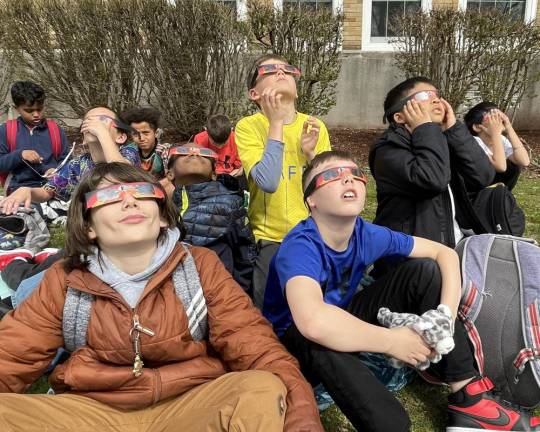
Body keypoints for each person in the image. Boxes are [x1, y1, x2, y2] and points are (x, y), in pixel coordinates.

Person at [0, 162, 323, 432]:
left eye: (144, 192)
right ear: (88, 227)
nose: (130, 201)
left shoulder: (199, 265)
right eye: (110, 196)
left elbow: (255, 345)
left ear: (164, 216)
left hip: (191, 405)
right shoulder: (66, 279)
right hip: (92, 411)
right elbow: (11, 356)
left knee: (260, 389)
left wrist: (302, 422)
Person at [263, 149, 540, 432]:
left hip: (339, 316)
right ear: (311, 200)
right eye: (333, 176)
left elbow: (443, 253)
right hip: (292, 346)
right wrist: (391, 341)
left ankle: (469, 399)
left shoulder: (366, 233)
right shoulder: (299, 247)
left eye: (355, 174)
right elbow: (313, 321)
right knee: (320, 339)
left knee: (422, 271)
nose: (348, 180)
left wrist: (444, 314)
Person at [235, 54, 331, 307]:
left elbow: (330, 189)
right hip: (270, 240)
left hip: (313, 234)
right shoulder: (248, 127)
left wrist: (312, 156)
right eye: (269, 70)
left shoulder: (314, 126)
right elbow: (267, 181)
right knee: (269, 314)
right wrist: (275, 123)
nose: (281, 73)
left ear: (297, 90)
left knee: (316, 308)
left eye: (288, 69)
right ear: (254, 93)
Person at [369, 76, 495, 249]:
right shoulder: (387, 149)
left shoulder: (439, 140)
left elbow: (483, 176)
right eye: (424, 95)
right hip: (413, 256)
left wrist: (454, 129)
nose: (435, 99)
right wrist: (425, 128)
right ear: (399, 117)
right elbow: (432, 180)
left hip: (453, 246)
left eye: (436, 94)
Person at [0, 106, 140, 214]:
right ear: (84, 139)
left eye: (103, 120)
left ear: (121, 137)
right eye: (88, 121)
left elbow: (123, 175)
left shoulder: (128, 152)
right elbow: (48, 191)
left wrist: (102, 133)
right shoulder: (77, 165)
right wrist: (28, 191)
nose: (94, 124)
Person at [167, 145, 255, 293]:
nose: (194, 153)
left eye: (204, 153)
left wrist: (239, 292)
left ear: (214, 174)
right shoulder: (162, 208)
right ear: (169, 173)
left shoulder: (230, 202)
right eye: (183, 152)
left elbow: (246, 253)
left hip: (220, 290)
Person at [0, 81, 70, 195]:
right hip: (18, 192)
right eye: (29, 111)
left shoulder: (55, 130)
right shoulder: (6, 130)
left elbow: (67, 160)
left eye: (40, 109)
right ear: (16, 108)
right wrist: (20, 155)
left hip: (52, 190)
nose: (36, 114)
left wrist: (56, 171)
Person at [464, 102, 530, 190]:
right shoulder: (473, 142)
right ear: (477, 127)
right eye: (492, 117)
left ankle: (501, 196)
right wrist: (496, 133)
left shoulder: (500, 139)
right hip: (473, 190)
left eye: (498, 114)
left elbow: (524, 161)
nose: (498, 119)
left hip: (493, 188)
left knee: (514, 165)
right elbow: (501, 167)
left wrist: (509, 127)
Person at [121, 107, 171, 180]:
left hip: (160, 188)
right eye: (135, 134)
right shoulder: (129, 150)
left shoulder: (165, 150)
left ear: (156, 133)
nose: (141, 138)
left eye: (146, 133)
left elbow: (171, 178)